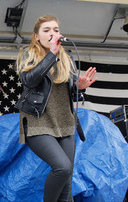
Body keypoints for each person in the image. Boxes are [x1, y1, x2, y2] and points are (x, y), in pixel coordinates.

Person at [15, 15, 97, 202]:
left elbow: (69, 92)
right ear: (37, 36)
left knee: (67, 182)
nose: (52, 33)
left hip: (65, 121)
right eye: (46, 30)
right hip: (39, 121)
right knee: (62, 167)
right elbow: (29, 80)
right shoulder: (28, 55)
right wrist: (51, 54)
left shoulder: (66, 58)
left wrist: (79, 86)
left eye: (56, 30)